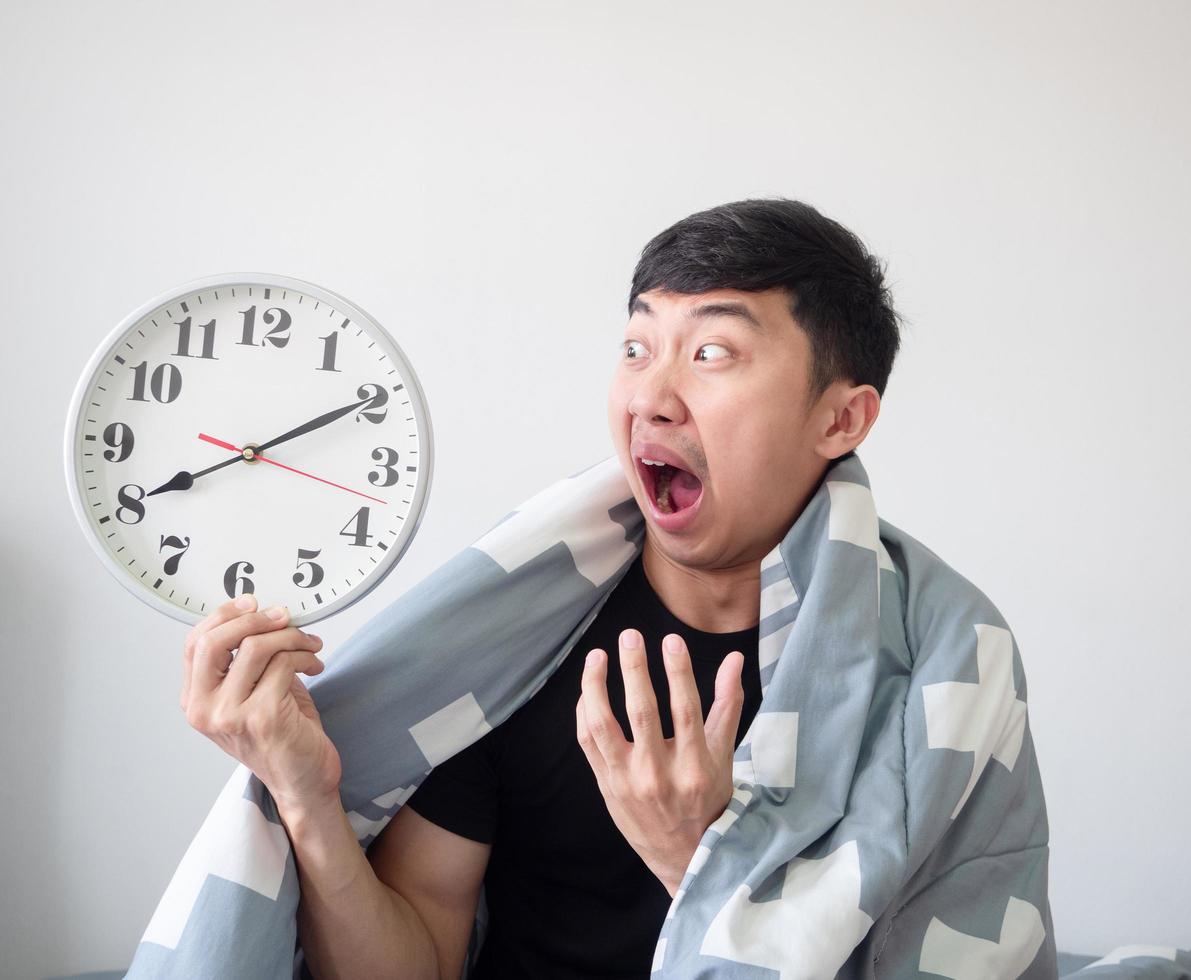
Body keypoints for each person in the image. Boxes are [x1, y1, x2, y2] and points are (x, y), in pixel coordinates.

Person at [180, 197, 901, 979]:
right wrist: (305, 796)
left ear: (840, 420)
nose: (649, 397)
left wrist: (690, 858)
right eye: (636, 346)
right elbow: (412, 962)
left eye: (713, 353)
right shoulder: (516, 641)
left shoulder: (921, 672)